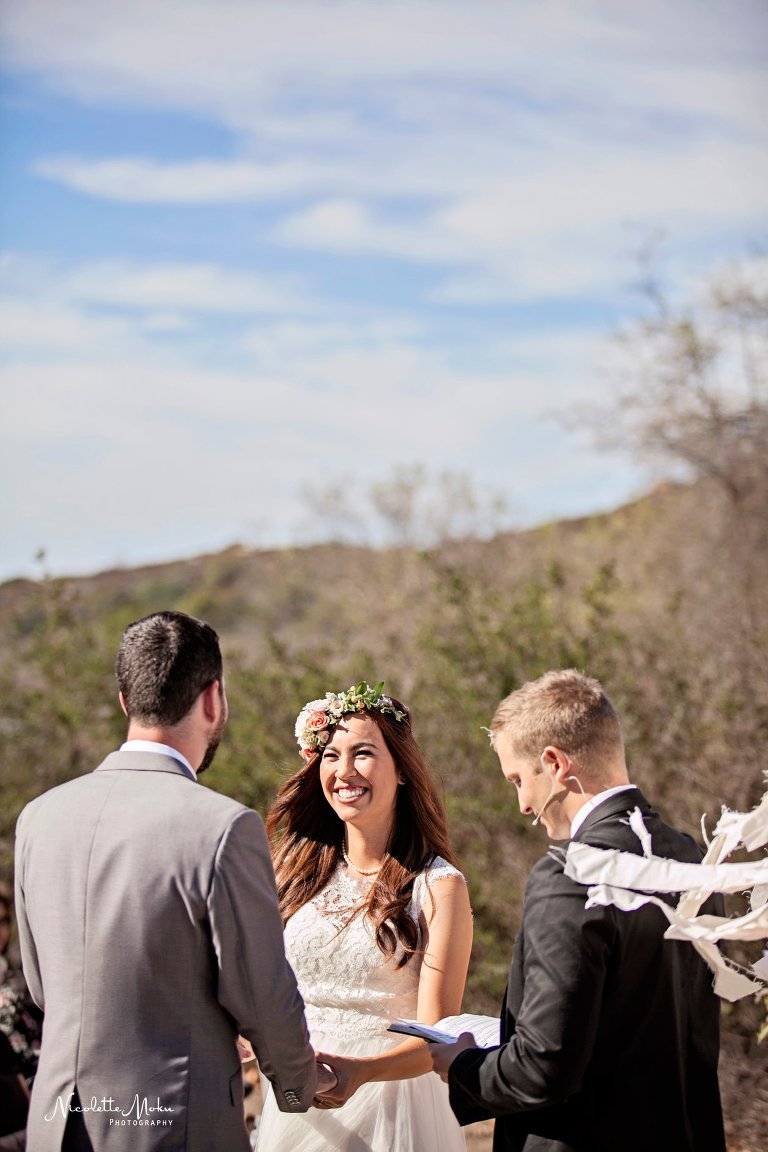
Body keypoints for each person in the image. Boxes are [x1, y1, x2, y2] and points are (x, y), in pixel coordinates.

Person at [14, 610, 332, 1152]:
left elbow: (46, 988)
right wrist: (302, 1087)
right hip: (171, 1126)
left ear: (124, 700)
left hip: (55, 1126)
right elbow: (261, 992)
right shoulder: (223, 826)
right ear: (213, 700)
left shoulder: (37, 817)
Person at [429, 669, 725, 1152]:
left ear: (555, 763)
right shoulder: (691, 857)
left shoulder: (570, 876)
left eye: (518, 780)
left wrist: (461, 1065)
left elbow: (542, 1070)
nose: (523, 804)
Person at [255, 681, 473, 1152]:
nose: (344, 771)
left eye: (363, 753)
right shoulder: (293, 872)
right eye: (330, 756)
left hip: (395, 1107)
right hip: (299, 1106)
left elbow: (438, 1037)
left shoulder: (439, 886)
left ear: (402, 772)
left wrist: (361, 1074)